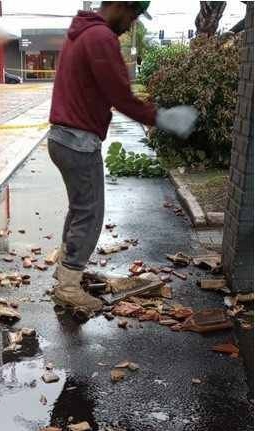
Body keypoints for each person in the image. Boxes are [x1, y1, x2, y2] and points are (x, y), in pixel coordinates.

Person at [47, 0, 198, 317]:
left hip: (61, 137)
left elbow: (106, 91)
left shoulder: (81, 32)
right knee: (90, 215)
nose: (133, 23)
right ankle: (68, 286)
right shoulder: (100, 37)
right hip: (78, 140)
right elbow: (120, 95)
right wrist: (162, 118)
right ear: (119, 5)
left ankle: (67, 273)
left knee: (79, 210)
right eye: (133, 14)